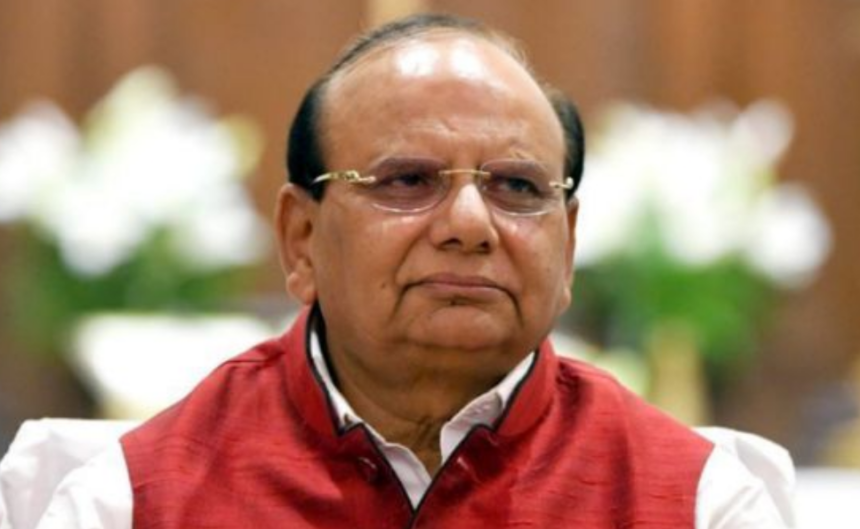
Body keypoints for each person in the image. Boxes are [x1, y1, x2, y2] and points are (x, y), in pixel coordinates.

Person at [35, 13, 792, 528]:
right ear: (302, 239)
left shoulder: (697, 502)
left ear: (566, 246)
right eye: (407, 180)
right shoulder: (132, 502)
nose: (470, 224)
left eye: (517, 186)